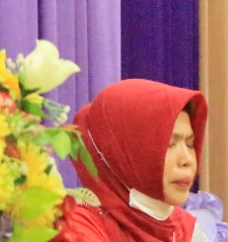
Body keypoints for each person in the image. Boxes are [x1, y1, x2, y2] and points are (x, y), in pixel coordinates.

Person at [56, 79, 209, 242]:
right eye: (169, 144)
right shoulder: (75, 228)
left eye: (190, 144)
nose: (187, 160)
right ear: (122, 152)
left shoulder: (186, 229)